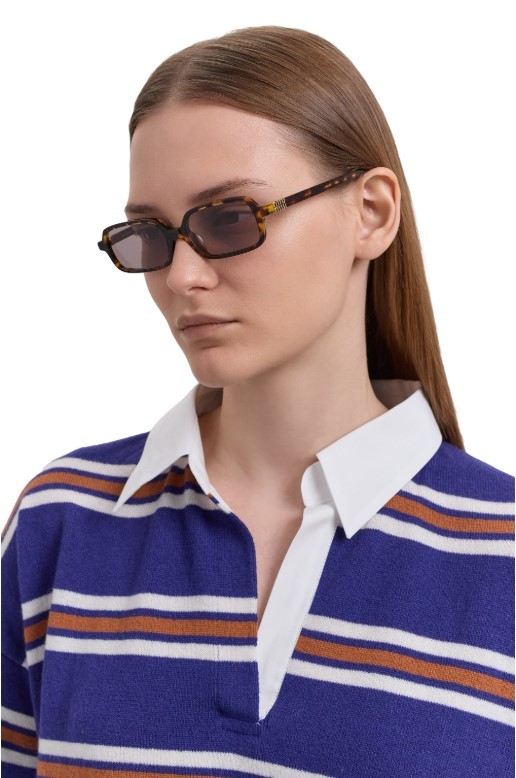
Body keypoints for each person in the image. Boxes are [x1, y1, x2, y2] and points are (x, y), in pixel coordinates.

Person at [2, 25, 514, 778]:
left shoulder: (502, 553)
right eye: (149, 234)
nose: (181, 277)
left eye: (230, 217)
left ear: (371, 213)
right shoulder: (63, 521)